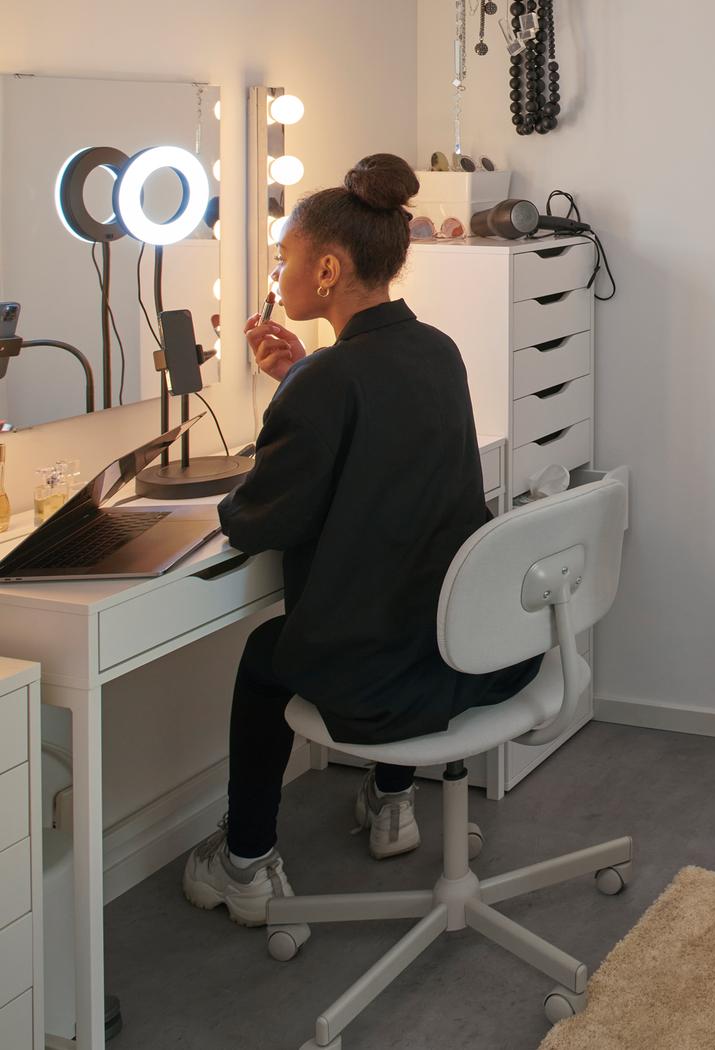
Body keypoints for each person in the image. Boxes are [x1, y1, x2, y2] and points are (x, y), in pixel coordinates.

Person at [182, 154, 542, 927]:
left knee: (265, 653)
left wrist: (284, 420)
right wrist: (304, 378)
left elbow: (257, 523)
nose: (279, 274)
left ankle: (244, 860)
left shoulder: (330, 384)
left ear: (330, 267)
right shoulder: (436, 350)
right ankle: (391, 803)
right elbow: (376, 430)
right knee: (395, 591)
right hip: (471, 649)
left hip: (389, 678)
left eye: (284, 258)